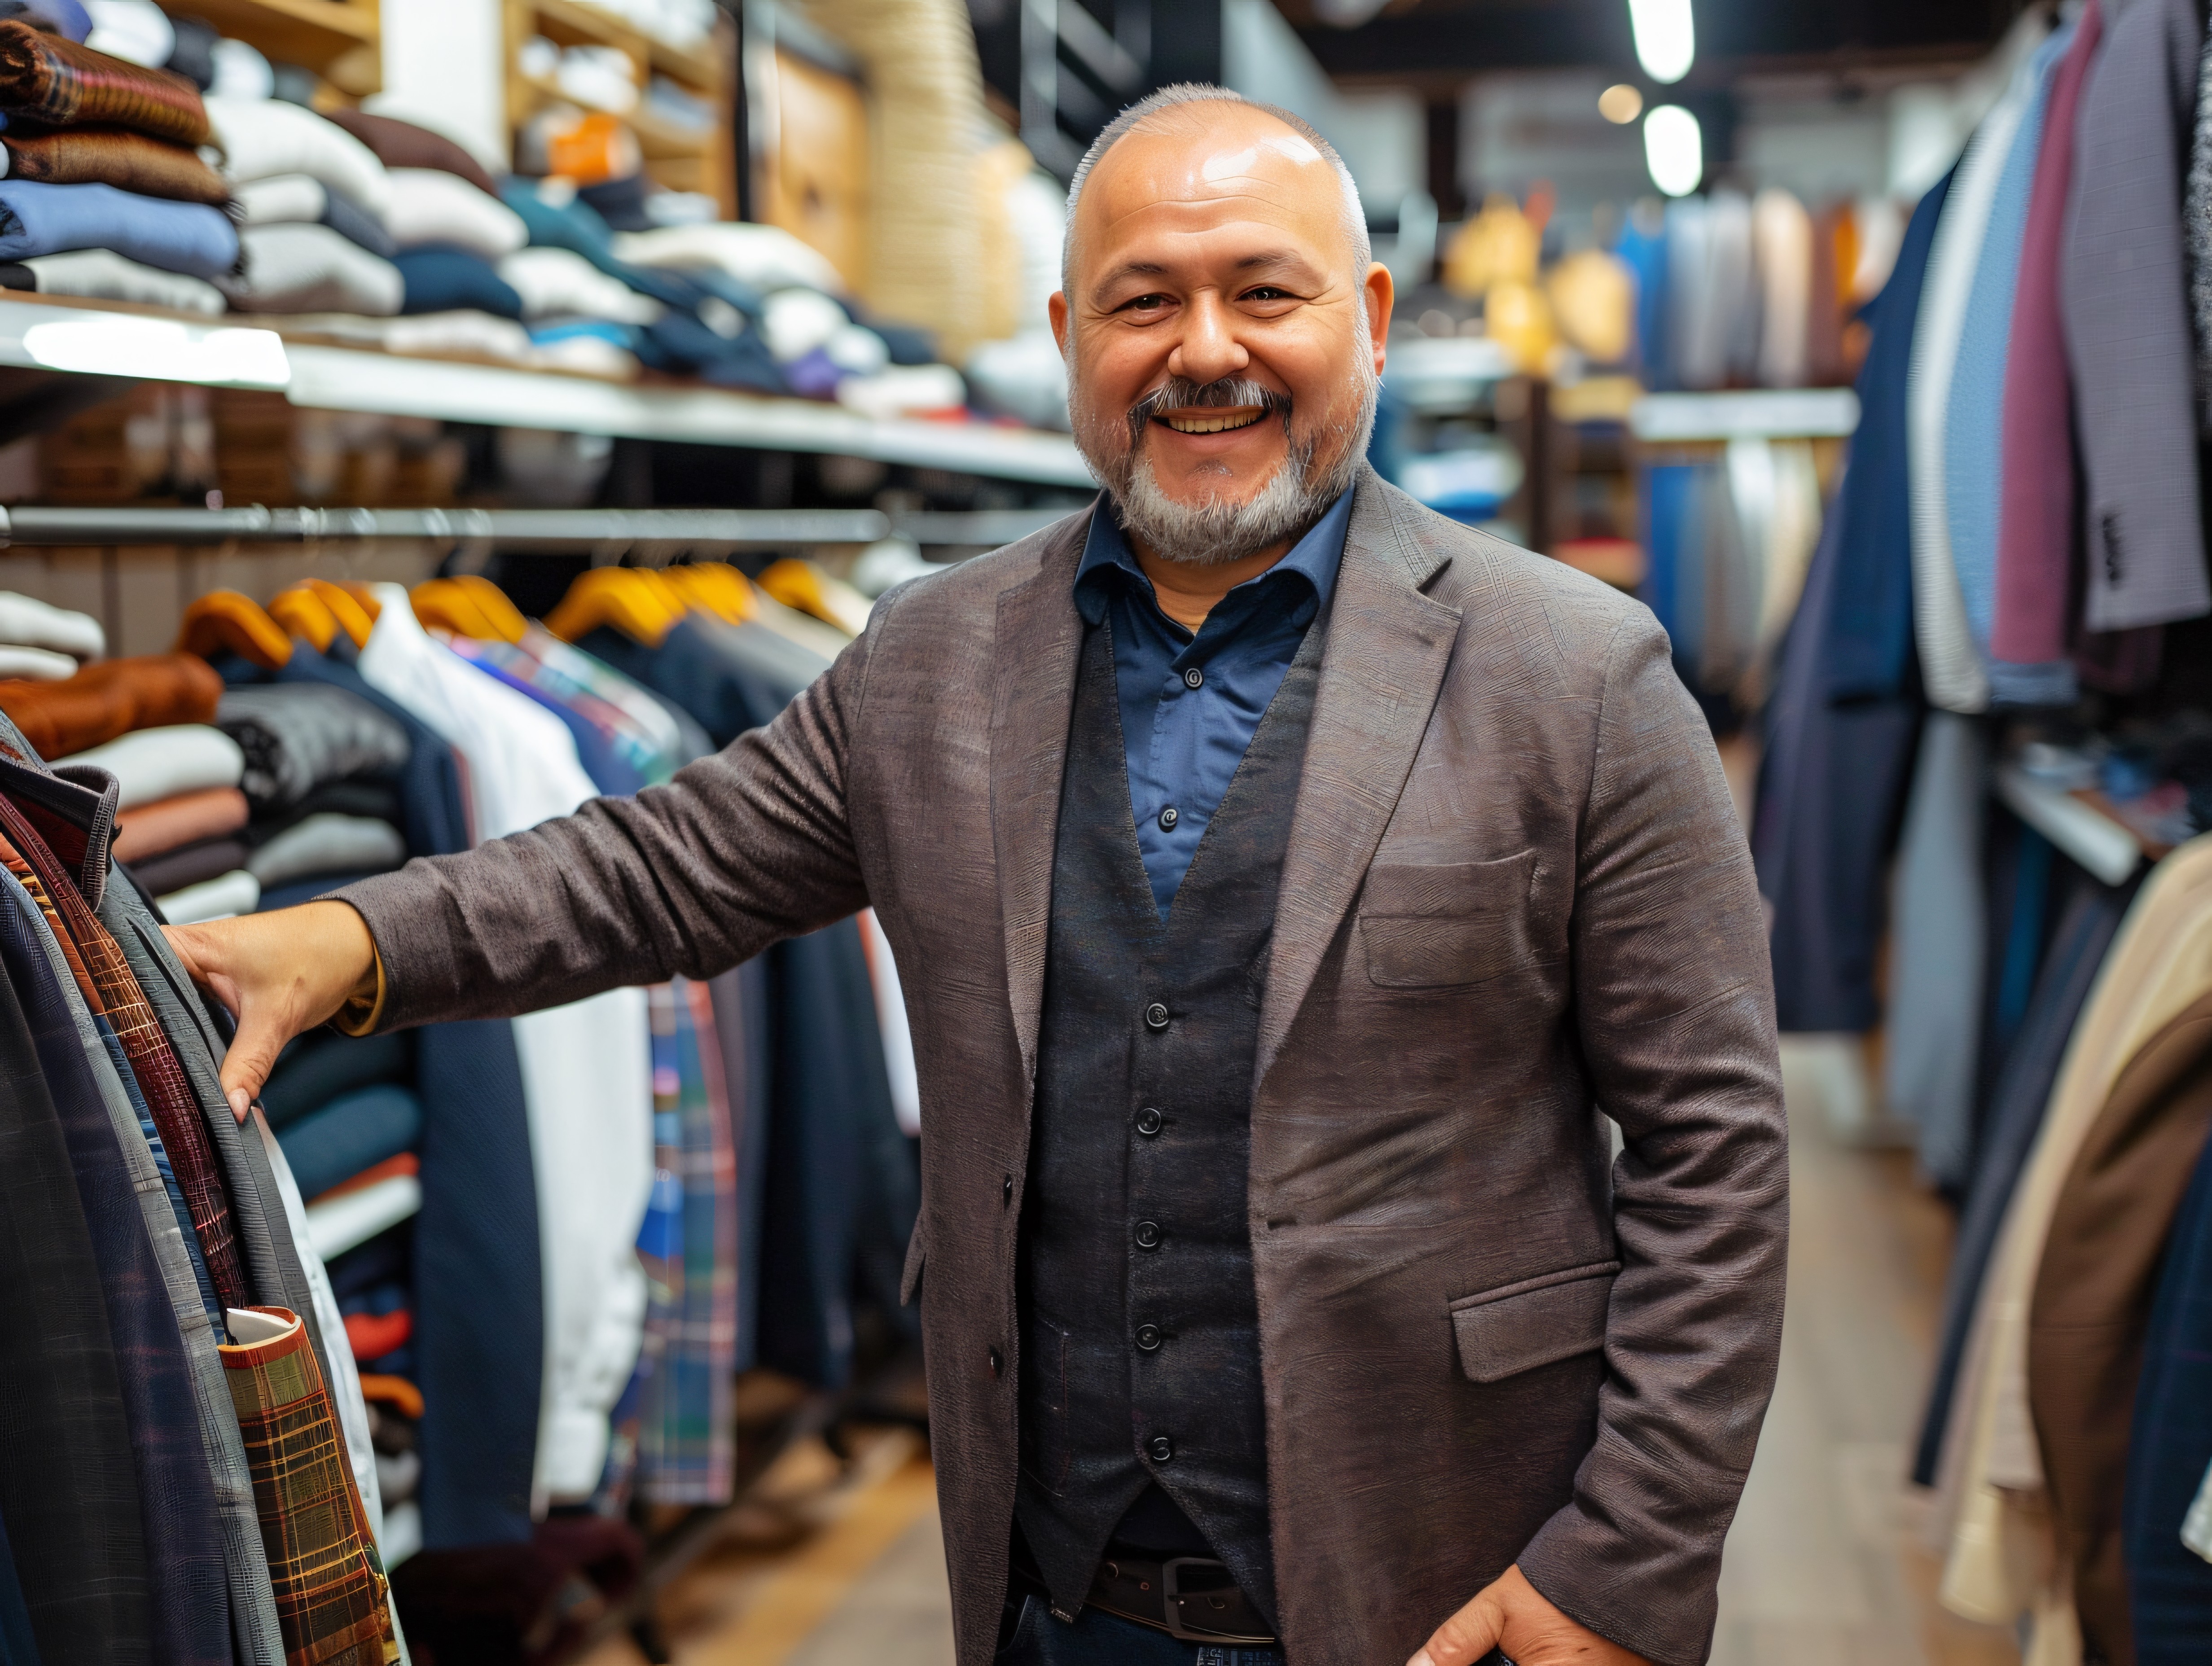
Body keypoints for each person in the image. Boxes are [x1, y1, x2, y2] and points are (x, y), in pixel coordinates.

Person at [166, 84, 1787, 1666]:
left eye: (1264, 294)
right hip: (1053, 1589)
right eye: (1146, 301)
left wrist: (1618, 1567)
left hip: (1443, 1584)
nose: (1205, 351)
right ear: (1076, 329)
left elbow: (1716, 1145)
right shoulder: (934, 658)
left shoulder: (1575, 673)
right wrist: (343, 939)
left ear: (1364, 316)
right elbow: (659, 865)